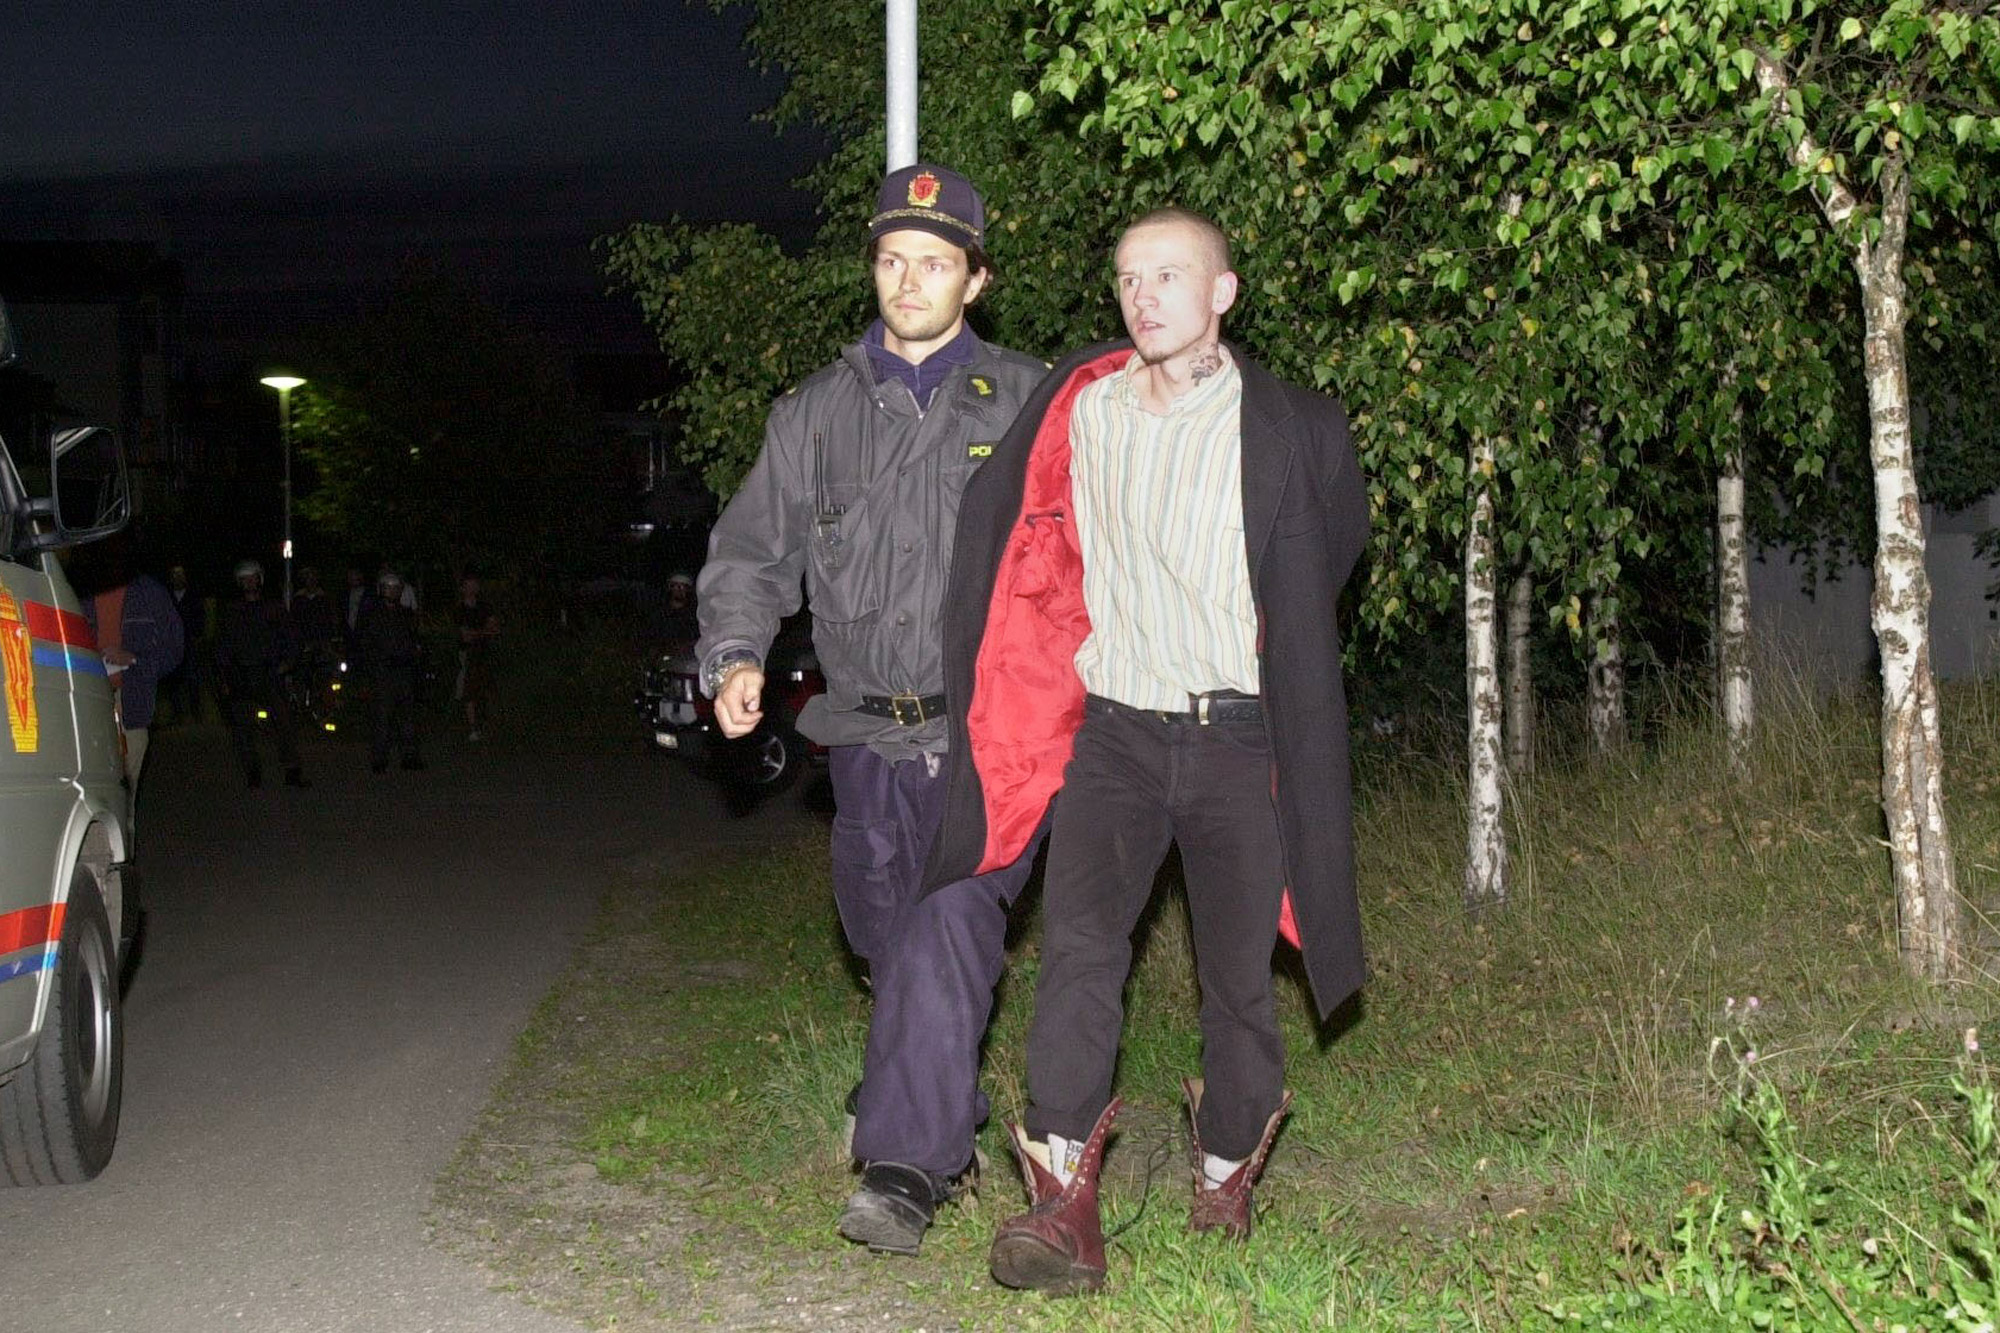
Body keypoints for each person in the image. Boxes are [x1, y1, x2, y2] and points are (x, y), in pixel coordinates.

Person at [925, 208, 1370, 1294]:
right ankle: (1058, 1190)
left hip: (1235, 737)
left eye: (1170, 276)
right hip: (1114, 734)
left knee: (1235, 977)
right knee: (1080, 947)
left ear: (1221, 292)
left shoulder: (1292, 426)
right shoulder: (1082, 411)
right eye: (1128, 278)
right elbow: (1017, 531)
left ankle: (1224, 1170)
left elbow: (1336, 540)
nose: (1145, 296)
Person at [696, 163, 1049, 1257]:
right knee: (883, 935)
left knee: (947, 925)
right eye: (893, 259)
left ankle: (903, 1169)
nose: (909, 280)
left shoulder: (1032, 401)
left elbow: (1083, 554)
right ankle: (940, 1098)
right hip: (859, 732)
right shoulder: (813, 414)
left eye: (935, 262)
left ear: (974, 279)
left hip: (985, 733)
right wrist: (736, 652)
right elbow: (754, 552)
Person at [213, 559, 309, 789]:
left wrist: (288, 663)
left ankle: (292, 770)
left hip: (270, 673)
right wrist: (224, 677)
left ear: (260, 579)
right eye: (244, 579)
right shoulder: (232, 612)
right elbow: (222, 647)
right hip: (241, 675)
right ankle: (252, 772)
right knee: (243, 727)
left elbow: (292, 638)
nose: (249, 582)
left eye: (252, 577)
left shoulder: (274, 608)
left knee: (284, 721)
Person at [89, 569, 185, 791]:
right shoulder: (78, 590)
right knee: (93, 783)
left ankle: (126, 824)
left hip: (130, 699)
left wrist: (134, 658)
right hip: (89, 694)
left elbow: (174, 649)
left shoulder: (149, 592)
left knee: (126, 783)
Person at [355, 569, 425, 773]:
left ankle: (410, 757)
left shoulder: (406, 614)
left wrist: (415, 659)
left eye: (396, 588)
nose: (392, 592)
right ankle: (379, 759)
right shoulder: (372, 616)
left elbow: (414, 642)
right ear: (381, 590)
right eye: (388, 588)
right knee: (382, 718)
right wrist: (373, 669)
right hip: (383, 673)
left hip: (404, 672)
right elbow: (366, 645)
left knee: (408, 718)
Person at [452, 574, 499, 742]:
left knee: (486, 688)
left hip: (485, 653)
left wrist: (478, 633)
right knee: (469, 690)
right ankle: (472, 728)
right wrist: (483, 632)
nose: (472, 588)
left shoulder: (485, 606)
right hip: (468, 653)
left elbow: (494, 629)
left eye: (475, 584)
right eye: (468, 585)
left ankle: (485, 724)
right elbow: (465, 636)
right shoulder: (460, 610)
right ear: (463, 588)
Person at [160, 562, 205, 724]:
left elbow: (200, 618)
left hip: (190, 643)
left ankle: (196, 711)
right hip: (171, 645)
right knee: (173, 680)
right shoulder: (166, 596)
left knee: (193, 678)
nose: (178, 578)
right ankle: (177, 713)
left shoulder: (193, 595)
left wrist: (197, 636)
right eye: (175, 575)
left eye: (181, 575)